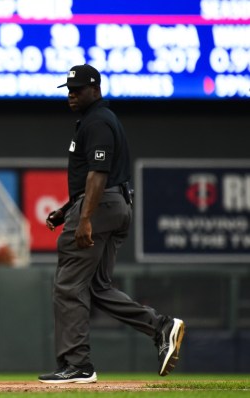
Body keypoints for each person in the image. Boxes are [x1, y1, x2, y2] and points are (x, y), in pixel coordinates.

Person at [38, 65, 185, 384]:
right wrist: (68, 209)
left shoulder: (99, 121)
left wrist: (85, 218)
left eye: (78, 89)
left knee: (68, 285)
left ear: (96, 89)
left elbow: (98, 174)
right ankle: (160, 326)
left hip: (101, 206)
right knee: (98, 288)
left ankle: (78, 364)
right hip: (113, 204)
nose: (71, 94)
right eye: (69, 89)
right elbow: (96, 179)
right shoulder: (99, 121)